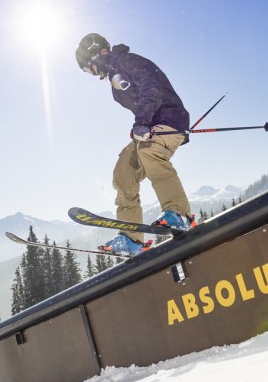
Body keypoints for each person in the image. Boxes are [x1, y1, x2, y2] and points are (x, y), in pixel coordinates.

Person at [75, 33, 194, 256]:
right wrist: (140, 125)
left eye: (87, 68)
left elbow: (151, 88)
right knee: (124, 171)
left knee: (150, 151)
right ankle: (132, 239)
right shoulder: (114, 82)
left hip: (171, 120)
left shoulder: (129, 62)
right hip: (150, 127)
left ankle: (179, 214)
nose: (90, 74)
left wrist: (142, 121)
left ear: (97, 54)